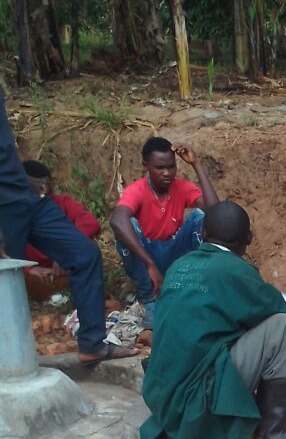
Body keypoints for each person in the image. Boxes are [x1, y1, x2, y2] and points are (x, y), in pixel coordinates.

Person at [141, 200, 286, 439]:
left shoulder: (178, 267)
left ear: (201, 232)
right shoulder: (237, 271)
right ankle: (273, 437)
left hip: (162, 396)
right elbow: (279, 312)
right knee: (282, 326)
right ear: (248, 240)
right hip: (197, 398)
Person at [0, 87, 136, 365]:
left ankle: (91, 344)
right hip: (4, 210)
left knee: (84, 254)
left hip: (25, 199)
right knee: (5, 283)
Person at [109, 136, 219, 327]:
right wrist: (150, 264)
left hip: (173, 254)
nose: (167, 173)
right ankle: (149, 299)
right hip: (146, 257)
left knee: (201, 217)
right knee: (128, 225)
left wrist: (196, 164)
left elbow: (217, 212)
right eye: (160, 168)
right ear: (146, 166)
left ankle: (199, 290)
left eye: (171, 167)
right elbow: (117, 220)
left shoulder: (181, 186)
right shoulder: (137, 190)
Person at [22, 161, 102, 293]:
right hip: (33, 273)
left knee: (87, 252)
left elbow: (90, 223)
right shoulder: (13, 214)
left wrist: (65, 251)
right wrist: (27, 269)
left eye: (48, 191)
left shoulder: (62, 202)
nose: (44, 196)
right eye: (40, 191)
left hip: (65, 270)